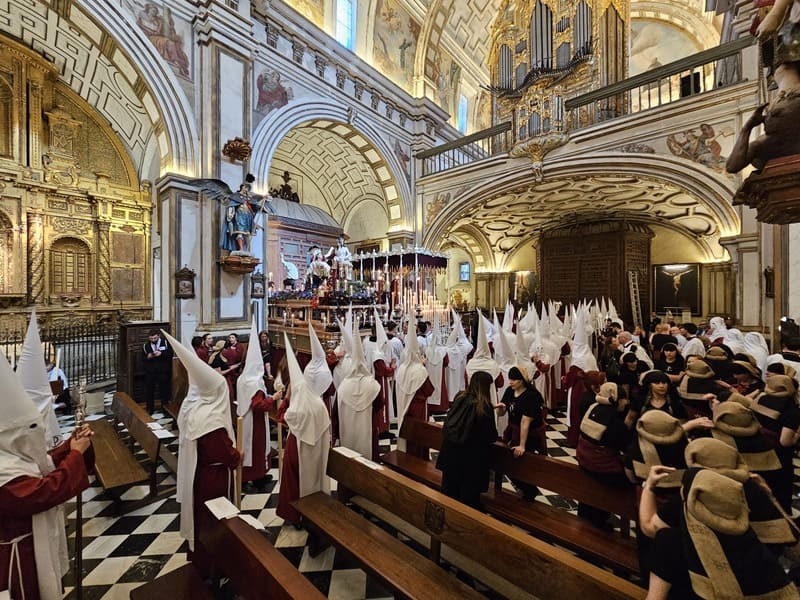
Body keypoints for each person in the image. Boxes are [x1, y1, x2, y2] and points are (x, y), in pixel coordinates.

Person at [0, 351, 94, 600]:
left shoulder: (10, 456)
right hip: (17, 555)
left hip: (32, 541)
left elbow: (40, 466)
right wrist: (75, 455)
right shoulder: (3, 473)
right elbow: (43, 492)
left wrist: (69, 447)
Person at [162, 331, 240, 576]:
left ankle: (206, 559)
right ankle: (214, 565)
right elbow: (224, 453)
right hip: (213, 478)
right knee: (212, 523)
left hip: (199, 475)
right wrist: (237, 455)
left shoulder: (195, 410)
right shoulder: (211, 420)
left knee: (201, 519)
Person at [276, 335, 331, 526]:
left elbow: (281, 417)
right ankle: (314, 512)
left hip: (297, 448)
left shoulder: (297, 407)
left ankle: (294, 515)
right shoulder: (318, 404)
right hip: (317, 451)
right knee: (314, 479)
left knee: (293, 482)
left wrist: (286, 398)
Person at [436, 371, 503, 509]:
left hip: (450, 455)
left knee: (449, 494)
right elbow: (491, 436)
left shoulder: (459, 397)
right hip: (470, 462)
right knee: (468, 501)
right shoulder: (484, 407)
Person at [237, 319, 277, 493]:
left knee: (249, 448)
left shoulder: (243, 378)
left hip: (245, 419)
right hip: (255, 421)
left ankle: (252, 475)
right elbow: (259, 405)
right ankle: (256, 477)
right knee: (256, 448)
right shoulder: (254, 382)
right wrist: (273, 398)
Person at [497, 366, 545, 500]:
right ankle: (526, 489)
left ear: (522, 380)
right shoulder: (510, 391)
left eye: (514, 379)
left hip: (529, 434)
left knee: (519, 462)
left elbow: (525, 422)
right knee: (507, 462)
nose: (511, 382)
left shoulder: (531, 396)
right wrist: (500, 408)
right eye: (510, 379)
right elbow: (501, 413)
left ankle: (529, 490)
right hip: (513, 430)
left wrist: (522, 445)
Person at [337, 319, 381, 459]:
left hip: (348, 428)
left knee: (350, 456)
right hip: (367, 426)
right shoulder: (372, 384)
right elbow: (380, 403)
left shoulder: (343, 386)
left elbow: (335, 413)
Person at [394, 321, 435, 459]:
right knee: (418, 438)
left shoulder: (401, 370)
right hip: (418, 410)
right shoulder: (419, 371)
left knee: (406, 437)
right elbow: (429, 390)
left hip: (404, 406)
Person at [142, 329, 173, 414]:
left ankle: (165, 409)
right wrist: (148, 357)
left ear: (159, 336)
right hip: (151, 372)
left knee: (164, 391)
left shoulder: (165, 343)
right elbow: (143, 359)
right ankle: (150, 409)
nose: (153, 340)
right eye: (151, 339)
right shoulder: (146, 346)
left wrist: (161, 353)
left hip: (163, 371)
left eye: (155, 338)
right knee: (149, 391)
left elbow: (171, 354)